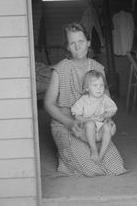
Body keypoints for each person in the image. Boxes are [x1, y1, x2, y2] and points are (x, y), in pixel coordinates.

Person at [44, 22, 126, 177]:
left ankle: (71, 154)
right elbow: (48, 104)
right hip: (66, 124)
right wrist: (68, 122)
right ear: (67, 47)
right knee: (91, 167)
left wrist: (108, 119)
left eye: (81, 42)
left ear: (88, 43)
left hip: (94, 124)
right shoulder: (60, 69)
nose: (77, 47)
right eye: (72, 43)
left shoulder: (98, 68)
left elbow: (105, 97)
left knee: (115, 166)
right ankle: (65, 154)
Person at [71, 70, 117, 163]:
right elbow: (76, 115)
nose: (99, 89)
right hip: (86, 133)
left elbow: (113, 109)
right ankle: (94, 150)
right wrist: (86, 119)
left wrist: (105, 115)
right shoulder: (83, 100)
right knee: (90, 123)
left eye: (101, 85)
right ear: (87, 88)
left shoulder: (104, 98)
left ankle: (101, 155)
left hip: (99, 132)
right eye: (95, 86)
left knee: (108, 127)